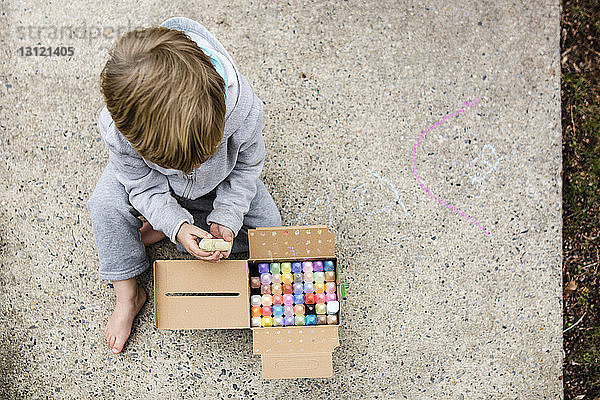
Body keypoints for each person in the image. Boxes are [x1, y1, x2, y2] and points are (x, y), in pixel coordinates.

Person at [86, 16, 282, 354]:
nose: (189, 169)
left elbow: (248, 165)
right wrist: (176, 224)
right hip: (151, 187)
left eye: (202, 154)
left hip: (220, 184)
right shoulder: (120, 130)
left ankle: (165, 225)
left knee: (270, 229)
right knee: (104, 205)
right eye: (175, 162)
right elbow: (139, 182)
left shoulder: (242, 107)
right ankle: (130, 295)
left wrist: (228, 215)